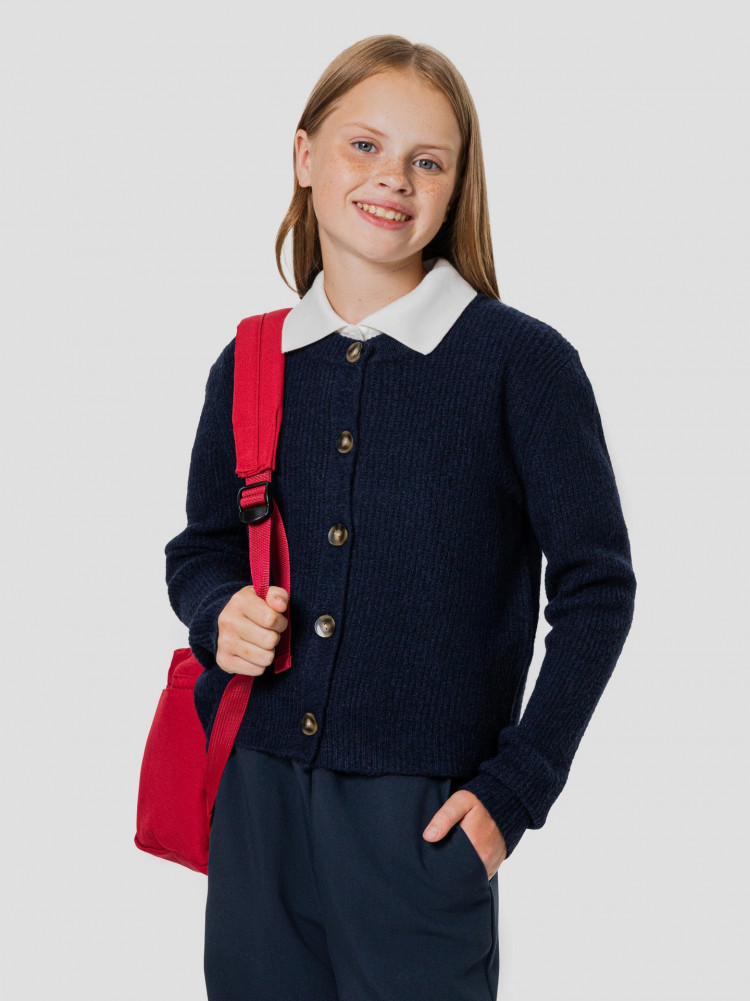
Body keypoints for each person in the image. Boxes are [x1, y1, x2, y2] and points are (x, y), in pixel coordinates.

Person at [164, 33, 637, 1001]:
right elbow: (203, 547)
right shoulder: (251, 360)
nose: (394, 178)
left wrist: (515, 790)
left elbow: (598, 587)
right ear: (305, 157)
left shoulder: (520, 364)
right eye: (364, 146)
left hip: (423, 818)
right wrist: (219, 612)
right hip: (253, 794)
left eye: (429, 161)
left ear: (458, 188)